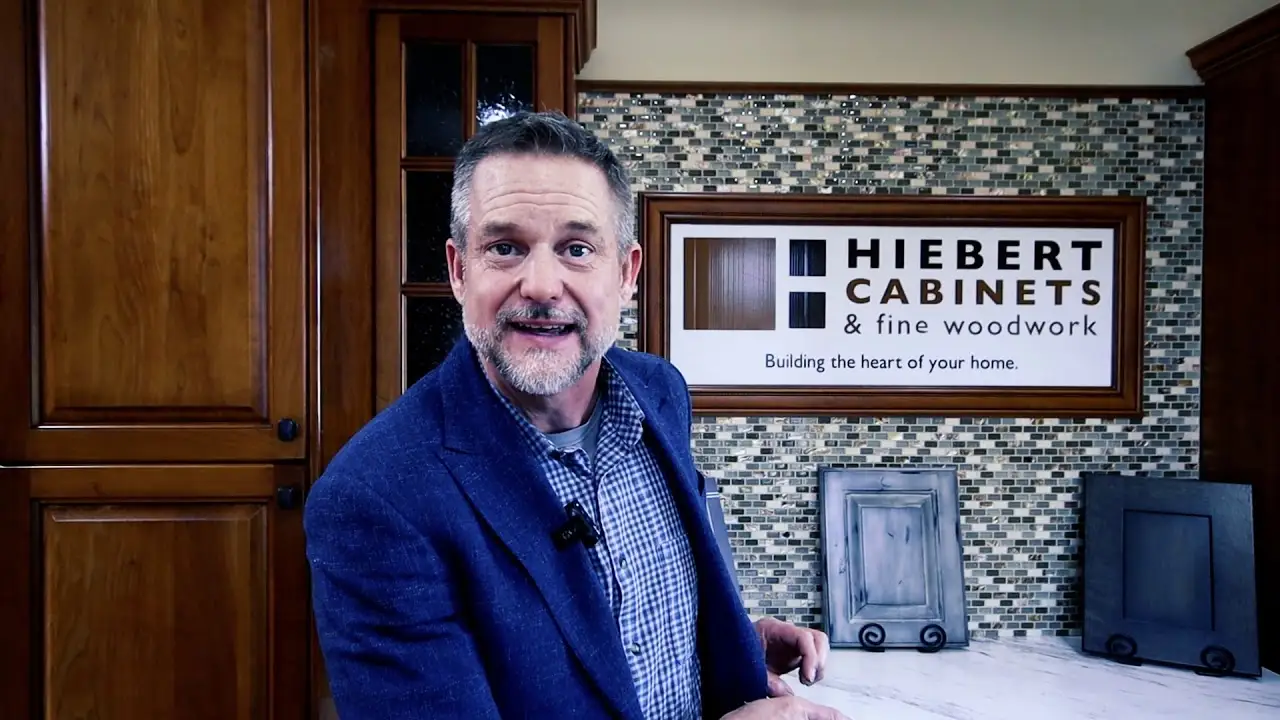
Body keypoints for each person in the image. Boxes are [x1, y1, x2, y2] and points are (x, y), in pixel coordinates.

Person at [304, 110, 851, 720]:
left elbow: (602, 629)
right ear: (460, 271)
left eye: (577, 249)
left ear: (626, 274)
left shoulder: (660, 393)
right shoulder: (374, 499)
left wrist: (728, 643)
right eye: (505, 247)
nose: (540, 284)